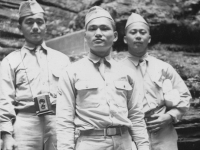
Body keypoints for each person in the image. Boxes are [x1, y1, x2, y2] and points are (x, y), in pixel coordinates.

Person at [56, 6, 150, 150]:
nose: (98, 33)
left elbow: (136, 116)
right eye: (92, 29)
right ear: (85, 36)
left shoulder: (127, 72)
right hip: (90, 142)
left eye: (104, 28)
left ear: (115, 36)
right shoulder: (71, 72)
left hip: (124, 142)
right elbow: (64, 121)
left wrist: (144, 147)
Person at [0, 0, 70, 150]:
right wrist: (6, 135)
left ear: (46, 25)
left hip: (57, 121)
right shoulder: (10, 61)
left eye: (40, 22)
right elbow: (4, 99)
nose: (35, 27)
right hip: (26, 123)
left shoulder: (62, 59)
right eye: (29, 22)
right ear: (20, 27)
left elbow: (71, 97)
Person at [119, 13, 191, 150]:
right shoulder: (116, 70)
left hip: (165, 136)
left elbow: (185, 96)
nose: (138, 36)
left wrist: (170, 116)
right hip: (132, 137)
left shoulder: (164, 68)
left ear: (149, 38)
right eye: (133, 32)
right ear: (124, 39)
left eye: (142, 32)